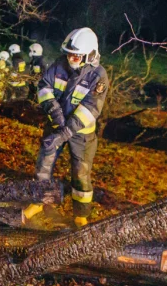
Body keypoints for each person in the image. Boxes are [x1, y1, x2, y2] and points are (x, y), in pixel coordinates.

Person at [28, 28, 109, 227]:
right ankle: (39, 201)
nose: (71, 57)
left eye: (77, 55)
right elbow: (44, 88)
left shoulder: (98, 77)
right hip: (56, 124)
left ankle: (81, 215)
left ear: (89, 55)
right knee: (44, 164)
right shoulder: (59, 65)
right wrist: (55, 114)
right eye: (70, 53)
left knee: (81, 172)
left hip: (81, 134)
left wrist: (65, 132)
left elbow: (90, 110)